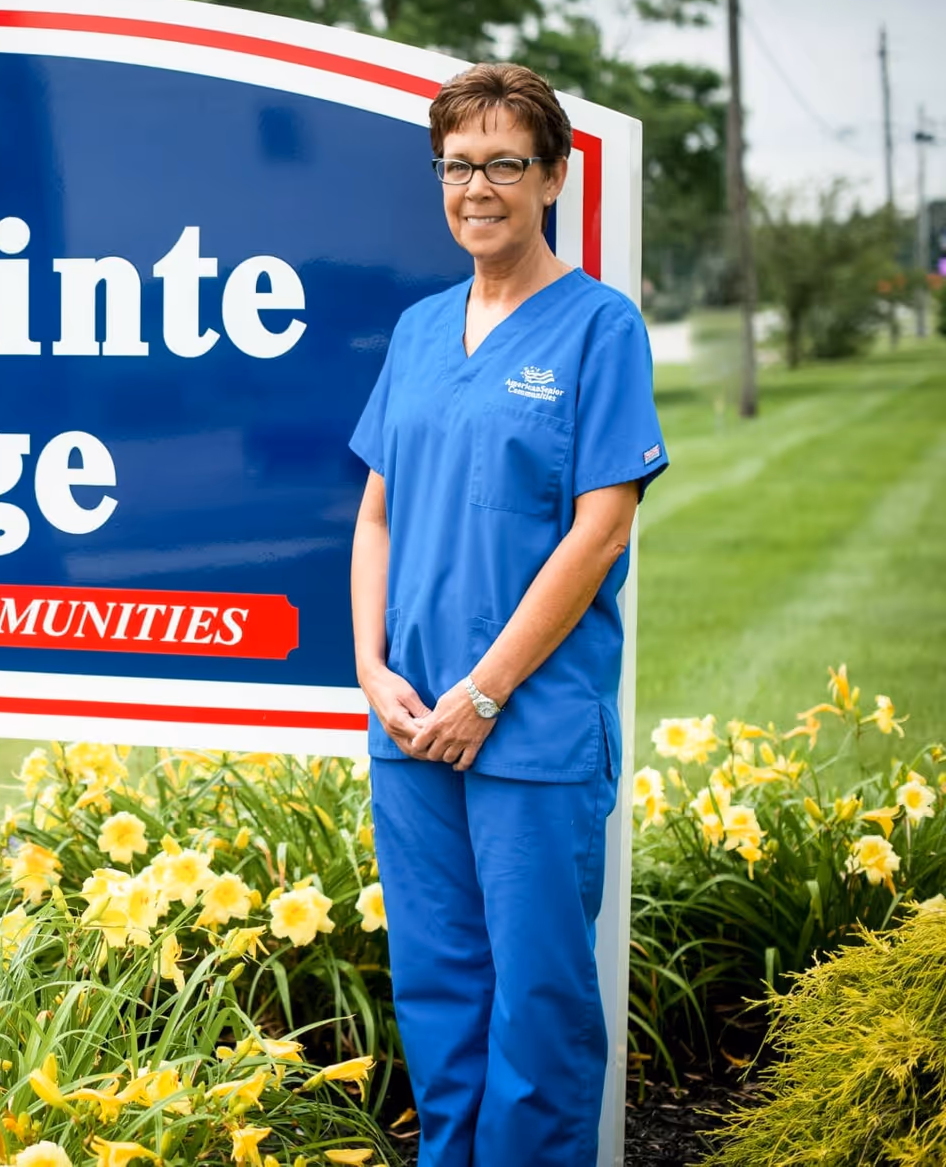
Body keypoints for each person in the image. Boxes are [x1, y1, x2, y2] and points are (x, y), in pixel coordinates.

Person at [347, 62, 668, 1166]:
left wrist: (485, 692)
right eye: (456, 164)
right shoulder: (421, 330)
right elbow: (377, 515)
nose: (475, 187)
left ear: (552, 179)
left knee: (538, 1011)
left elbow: (601, 531)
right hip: (412, 724)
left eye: (501, 164)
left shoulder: (596, 329)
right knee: (438, 997)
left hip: (526, 729)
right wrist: (372, 669)